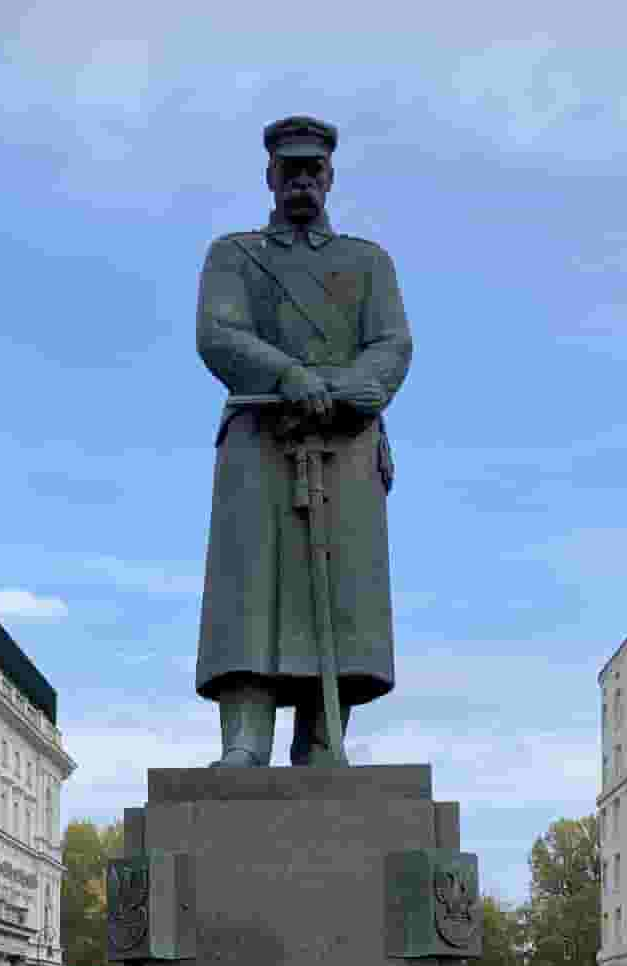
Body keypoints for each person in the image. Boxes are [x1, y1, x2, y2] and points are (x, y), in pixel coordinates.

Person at [195, 116, 413, 767]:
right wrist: (288, 376)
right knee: (250, 593)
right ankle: (245, 737)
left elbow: (393, 344)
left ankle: (323, 735)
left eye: (311, 171)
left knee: (343, 595)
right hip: (261, 440)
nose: (300, 183)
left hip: (344, 444)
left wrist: (344, 389)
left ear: (329, 178)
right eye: (288, 171)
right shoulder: (235, 256)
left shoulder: (367, 263)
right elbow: (218, 333)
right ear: (269, 177)